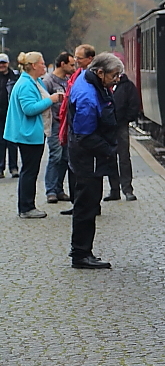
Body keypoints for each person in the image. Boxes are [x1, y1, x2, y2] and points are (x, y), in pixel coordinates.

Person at [67, 52, 123, 269]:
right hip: (88, 157)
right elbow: (85, 135)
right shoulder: (88, 97)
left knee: (88, 204)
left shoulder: (88, 81)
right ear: (100, 73)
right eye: (114, 75)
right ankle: (81, 254)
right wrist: (109, 150)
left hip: (89, 156)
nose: (116, 79)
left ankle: (82, 251)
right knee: (87, 205)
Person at [4, 52, 65, 218]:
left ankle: (27, 205)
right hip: (28, 134)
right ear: (33, 66)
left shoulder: (35, 81)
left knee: (30, 170)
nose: (44, 66)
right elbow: (29, 109)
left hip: (33, 132)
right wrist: (51, 99)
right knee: (29, 171)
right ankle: (26, 207)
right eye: (42, 63)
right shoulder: (25, 84)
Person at [57, 44, 95, 216]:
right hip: (74, 126)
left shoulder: (91, 76)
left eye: (79, 58)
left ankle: (87, 204)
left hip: (83, 129)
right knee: (75, 168)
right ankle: (78, 203)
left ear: (90, 59)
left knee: (83, 170)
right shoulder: (78, 75)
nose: (77, 61)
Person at [42, 51, 76, 203]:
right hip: (55, 123)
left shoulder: (68, 80)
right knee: (55, 155)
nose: (74, 68)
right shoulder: (48, 81)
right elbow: (44, 101)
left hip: (66, 124)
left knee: (65, 157)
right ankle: (50, 190)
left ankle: (59, 189)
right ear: (63, 64)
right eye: (71, 64)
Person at [107, 68, 140, 201]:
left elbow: (134, 104)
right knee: (110, 158)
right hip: (107, 127)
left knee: (124, 158)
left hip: (121, 126)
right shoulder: (105, 85)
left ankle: (127, 189)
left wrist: (126, 119)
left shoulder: (127, 86)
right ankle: (114, 190)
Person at [0, 54, 20, 178]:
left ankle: (13, 167)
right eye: (0, 63)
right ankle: (0, 168)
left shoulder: (15, 77)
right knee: (0, 142)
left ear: (8, 63)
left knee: (12, 142)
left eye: (4, 63)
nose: (2, 65)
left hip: (11, 113)